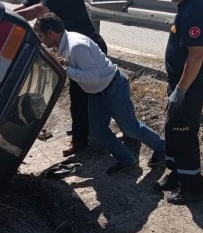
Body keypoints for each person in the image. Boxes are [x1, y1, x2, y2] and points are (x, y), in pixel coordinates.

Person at [34, 13, 165, 175]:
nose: (40, 40)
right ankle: (127, 160)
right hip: (97, 92)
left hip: (113, 88)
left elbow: (92, 76)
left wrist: (67, 70)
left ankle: (162, 148)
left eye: (40, 35)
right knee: (97, 129)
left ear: (50, 33)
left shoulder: (76, 46)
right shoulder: (65, 45)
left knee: (130, 128)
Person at [17, 0, 110, 156]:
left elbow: (37, 11)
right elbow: (30, 7)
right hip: (78, 50)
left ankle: (81, 140)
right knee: (90, 94)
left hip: (88, 49)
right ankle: (89, 131)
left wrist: (6, 17)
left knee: (92, 94)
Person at [154, 0, 203, 204]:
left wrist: (180, 90)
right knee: (173, 127)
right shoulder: (193, 5)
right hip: (183, 82)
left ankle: (192, 188)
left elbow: (196, 55)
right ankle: (176, 174)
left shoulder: (193, 11)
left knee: (184, 132)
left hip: (190, 85)